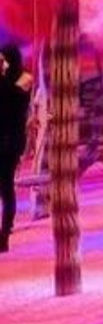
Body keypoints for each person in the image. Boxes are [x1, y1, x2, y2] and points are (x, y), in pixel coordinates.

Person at [0, 44, 28, 253]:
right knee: (6, 188)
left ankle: (5, 232)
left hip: (10, 142)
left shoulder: (24, 80)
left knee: (6, 187)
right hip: (8, 140)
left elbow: (14, 96)